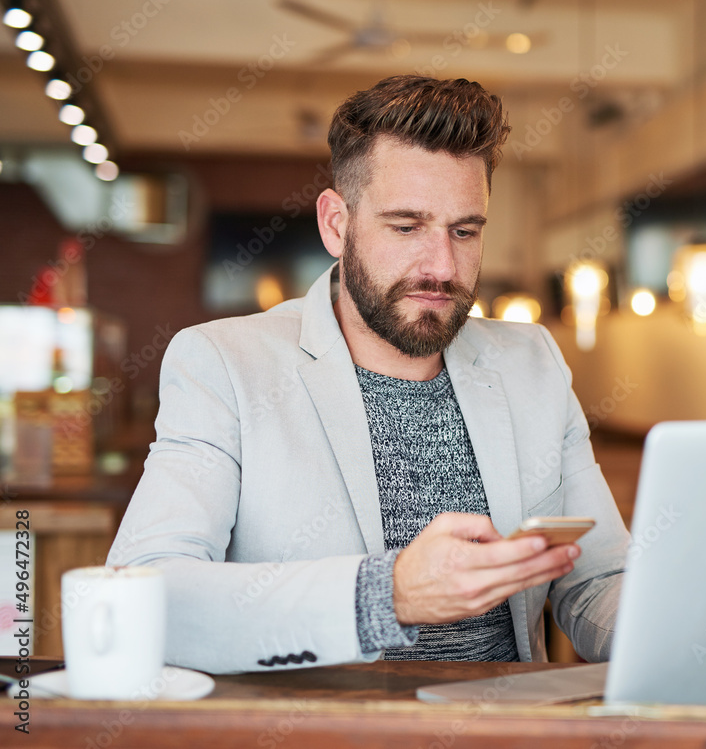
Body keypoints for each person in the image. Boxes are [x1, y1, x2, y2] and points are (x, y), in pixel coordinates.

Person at [108, 75, 630, 673]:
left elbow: (598, 581)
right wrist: (386, 596)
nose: (442, 266)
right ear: (337, 225)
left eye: (465, 231)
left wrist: (690, 630)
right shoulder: (223, 365)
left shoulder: (532, 362)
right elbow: (142, 597)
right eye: (406, 227)